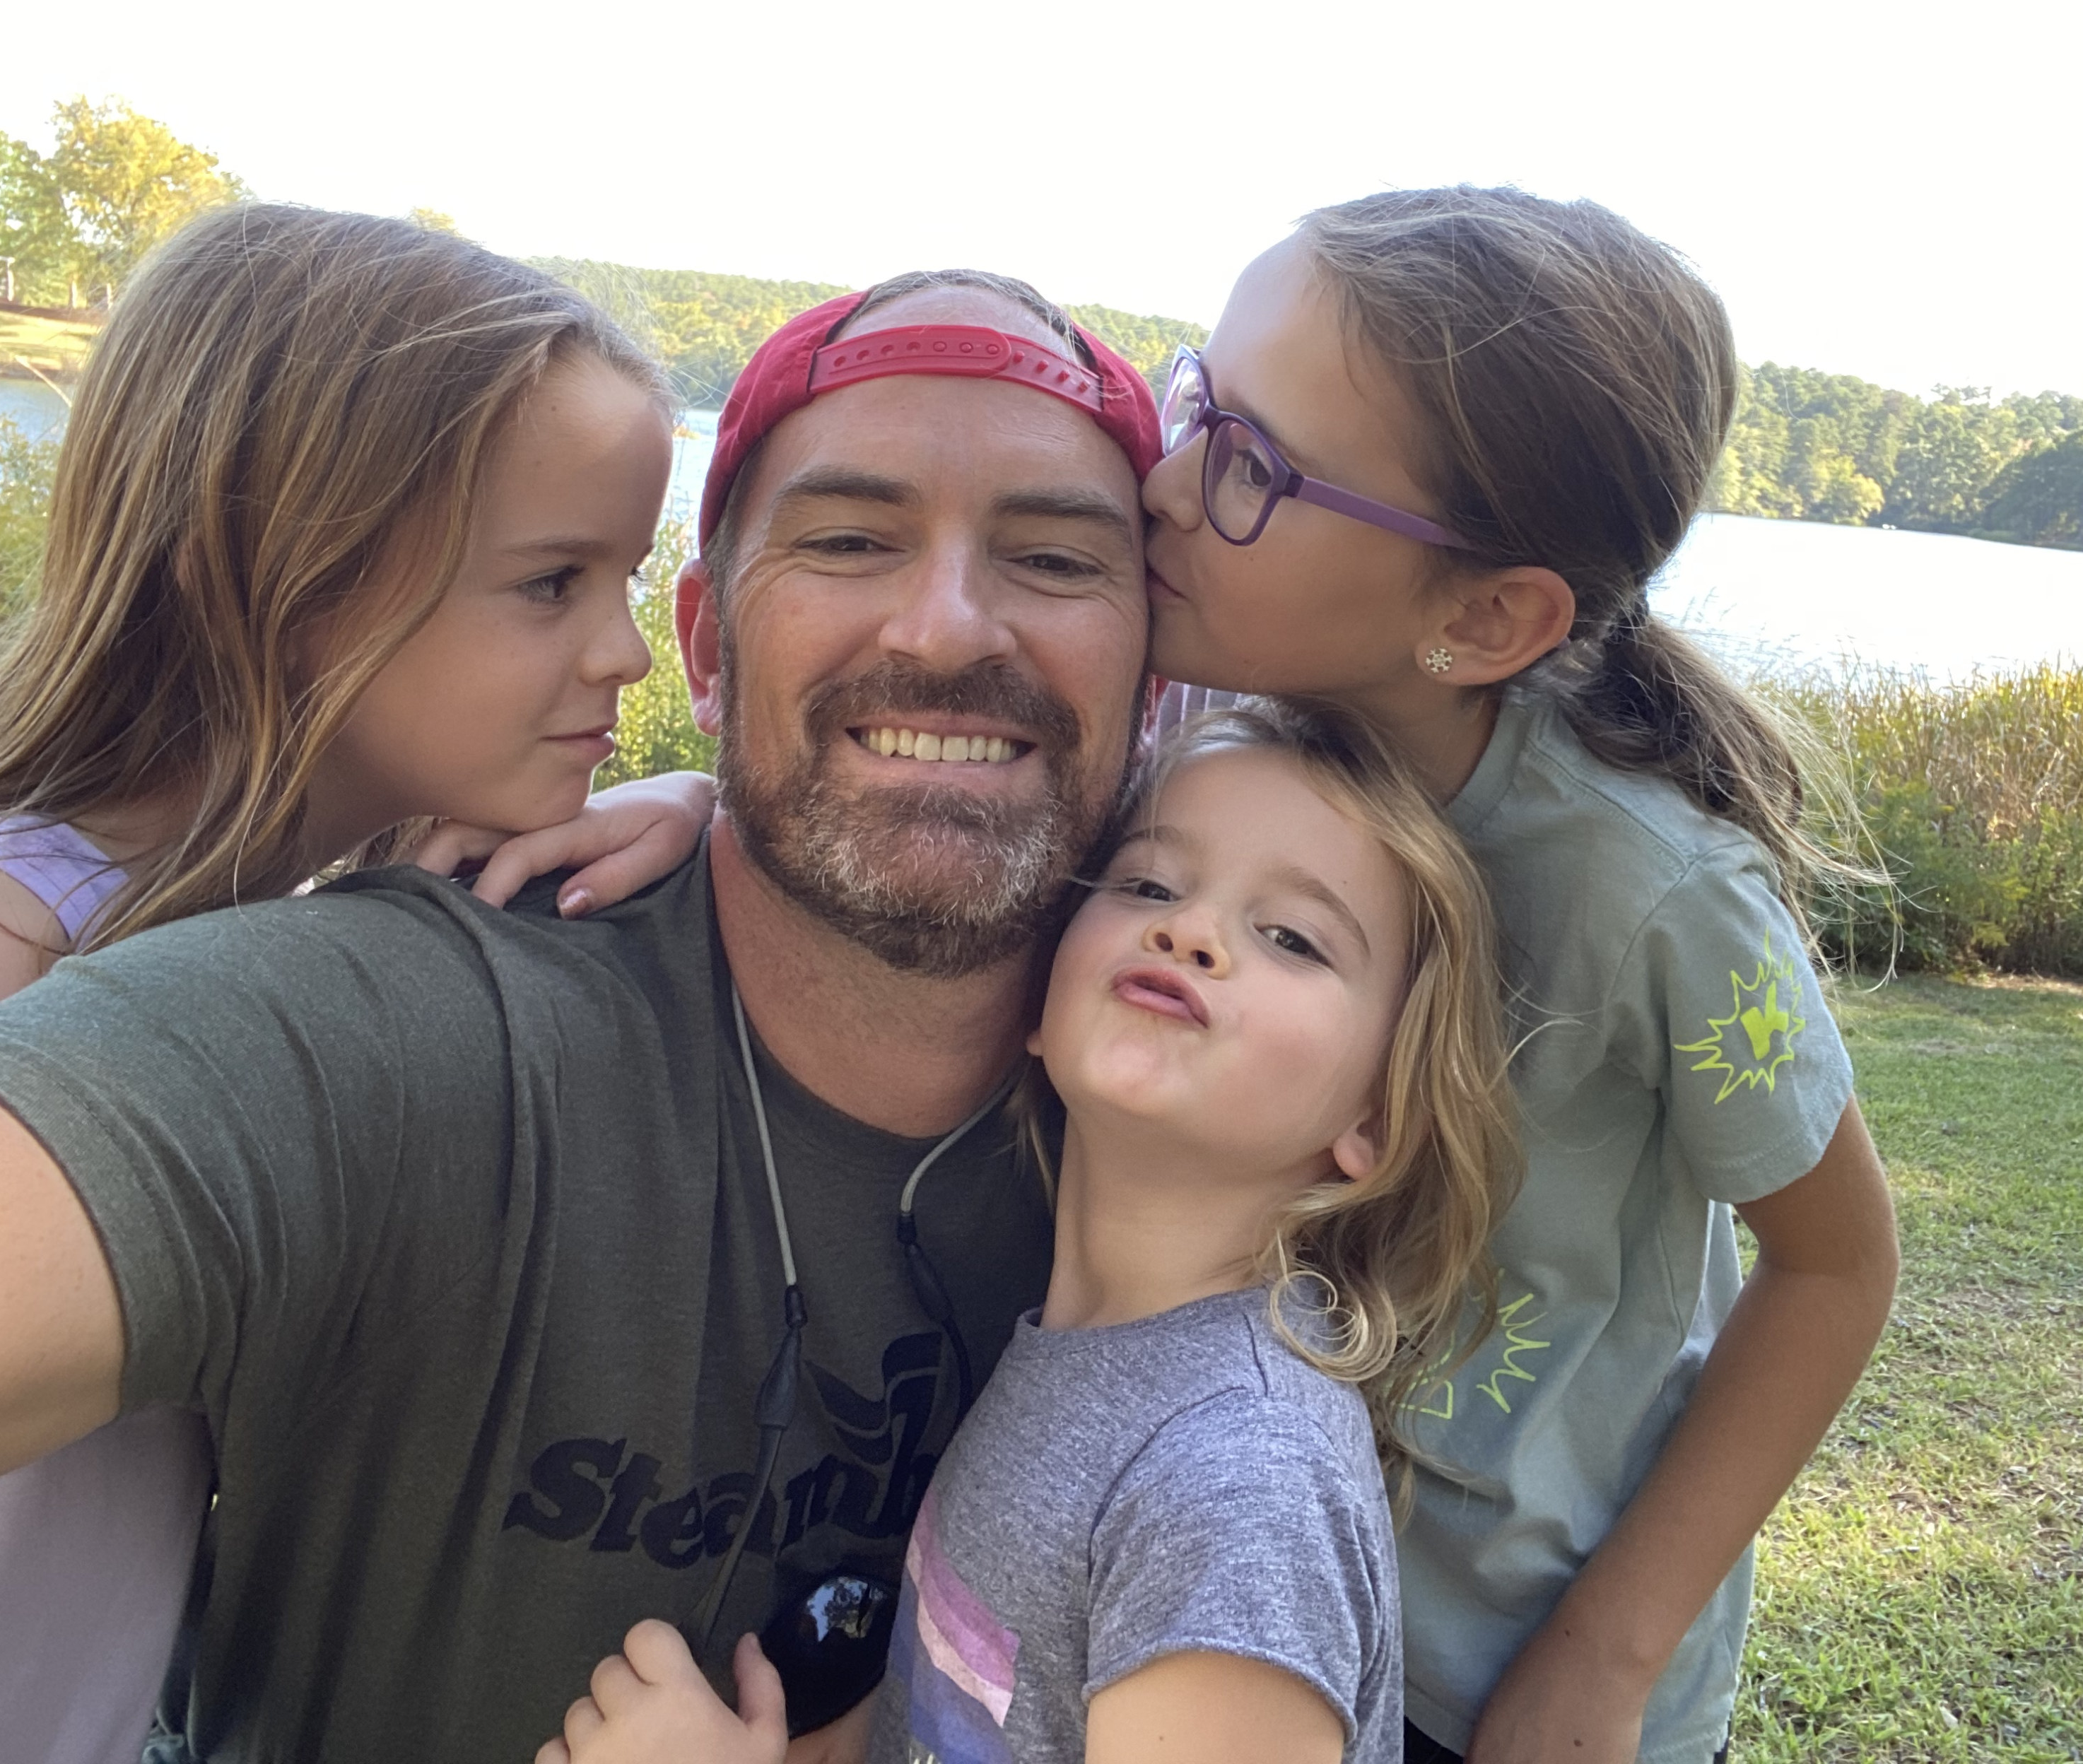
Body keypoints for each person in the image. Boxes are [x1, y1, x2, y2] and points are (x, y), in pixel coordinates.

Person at [483, 187, 1904, 1764]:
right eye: (1195, 403)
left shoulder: (1659, 894)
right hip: (1181, 1546)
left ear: (1487, 615)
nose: (1158, 483)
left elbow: (1835, 1266)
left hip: (1503, 1654)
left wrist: (1605, 1655)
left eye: (1249, 467)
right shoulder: (1231, 727)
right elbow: (952, 790)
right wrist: (718, 804)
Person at [0, 271, 1163, 1763]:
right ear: (711, 647)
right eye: (850, 540)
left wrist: (726, 791)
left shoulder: (1214, 1081)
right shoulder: (301, 1002)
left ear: (1158, 675)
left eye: (1055, 558)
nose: (948, 626)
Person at [0, 204, 675, 1764]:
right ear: (283, 578)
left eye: (627, 577)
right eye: (551, 583)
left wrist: (692, 812)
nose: (625, 653)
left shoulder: (261, 919)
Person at [536, 702, 1520, 1764]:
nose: (1191, 931)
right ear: (1039, 999)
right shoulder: (1084, 1357)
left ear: (1379, 1114)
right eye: (1149, 885)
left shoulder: (1240, 1483)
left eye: (1292, 937)